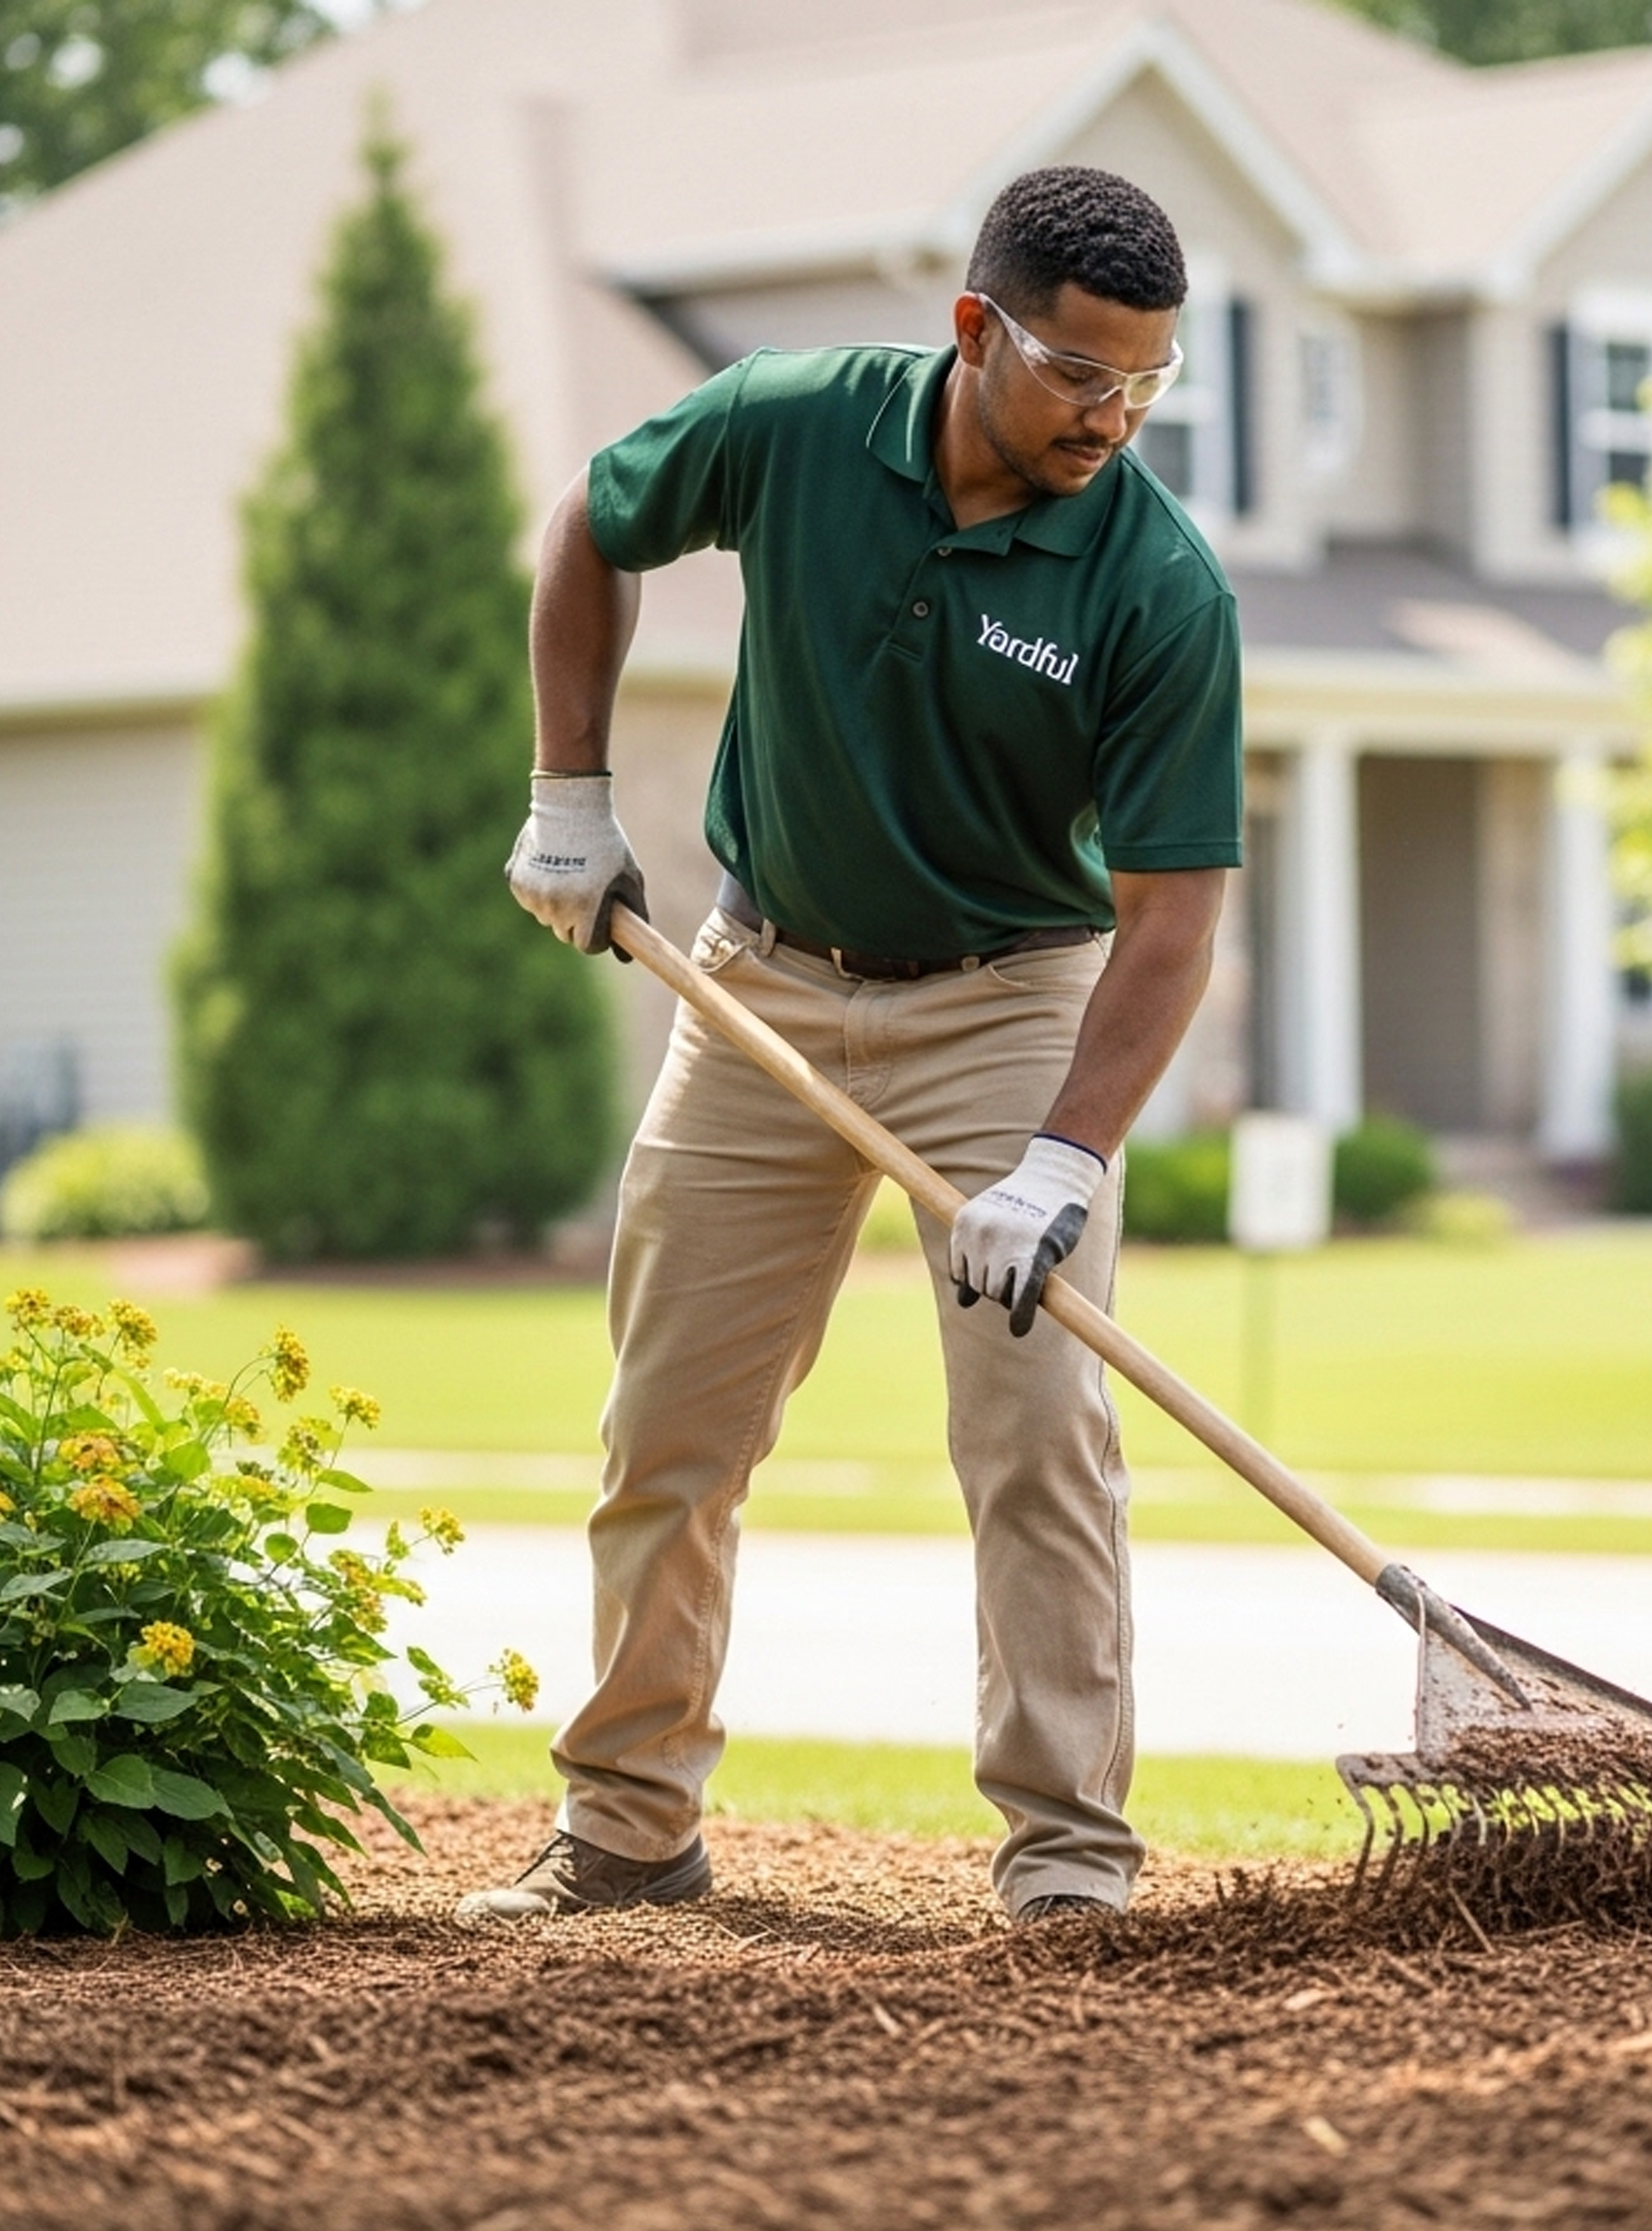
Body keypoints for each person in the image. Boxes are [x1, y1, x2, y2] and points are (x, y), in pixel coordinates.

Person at [460, 167, 1242, 1925]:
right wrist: (568, 793)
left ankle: (1068, 1866)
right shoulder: (795, 425)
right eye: (1078, 373)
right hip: (758, 983)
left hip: (1013, 1004)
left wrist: (1063, 1158)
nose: (1112, 418)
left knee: (1038, 1437)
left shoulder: (1158, 588)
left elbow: (1172, 920)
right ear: (975, 329)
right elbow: (591, 524)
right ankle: (630, 1828)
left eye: (1147, 383)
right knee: (671, 1426)